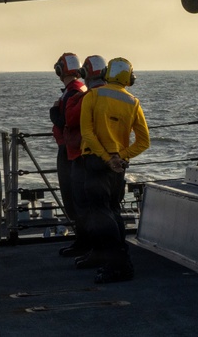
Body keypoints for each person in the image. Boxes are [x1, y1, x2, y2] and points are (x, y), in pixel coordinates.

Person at [77, 57, 150, 283]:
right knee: (113, 210)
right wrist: (121, 157)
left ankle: (118, 265)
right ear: (130, 78)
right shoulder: (133, 102)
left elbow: (87, 133)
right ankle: (119, 259)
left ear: (107, 73)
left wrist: (107, 158)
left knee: (100, 213)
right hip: (118, 166)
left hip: (95, 161)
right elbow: (143, 141)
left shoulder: (93, 96)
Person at [60, 54, 107, 259]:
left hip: (80, 154)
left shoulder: (80, 95)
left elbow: (68, 119)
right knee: (101, 205)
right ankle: (100, 247)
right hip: (101, 155)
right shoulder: (108, 95)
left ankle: (90, 246)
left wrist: (56, 108)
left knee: (81, 203)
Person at [50, 52, 85, 230]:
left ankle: (82, 238)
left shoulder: (72, 93)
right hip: (73, 148)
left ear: (59, 70)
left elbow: (65, 121)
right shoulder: (79, 89)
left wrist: (54, 112)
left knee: (71, 196)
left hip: (68, 150)